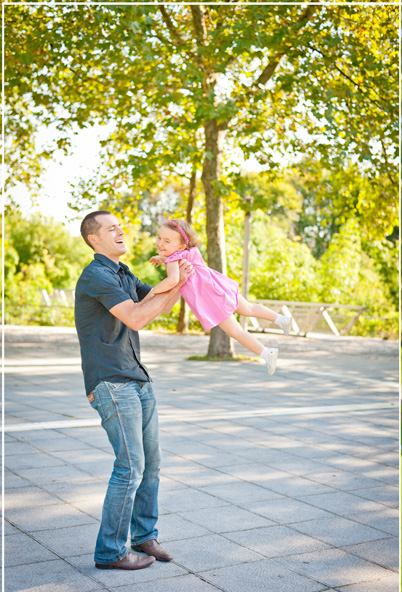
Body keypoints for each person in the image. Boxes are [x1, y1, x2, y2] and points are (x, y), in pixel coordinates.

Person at [74, 211, 192, 570]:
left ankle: (144, 537)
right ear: (95, 239)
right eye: (112, 229)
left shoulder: (124, 273)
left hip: (136, 378)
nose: (121, 231)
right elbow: (137, 317)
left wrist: (181, 277)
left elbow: (156, 304)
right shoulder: (97, 275)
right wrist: (174, 283)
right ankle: (110, 552)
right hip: (110, 382)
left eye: (120, 226)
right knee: (130, 467)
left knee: (151, 464)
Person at [149, 219, 292, 374]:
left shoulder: (172, 261)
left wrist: (153, 291)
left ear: (181, 246)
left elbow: (172, 280)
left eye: (167, 241)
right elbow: (177, 258)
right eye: (159, 238)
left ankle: (267, 353)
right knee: (249, 308)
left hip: (212, 300)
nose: (160, 243)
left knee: (236, 332)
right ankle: (281, 319)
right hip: (221, 287)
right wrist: (162, 258)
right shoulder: (191, 251)